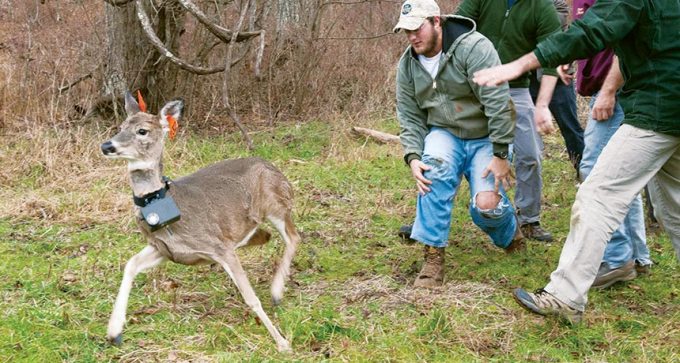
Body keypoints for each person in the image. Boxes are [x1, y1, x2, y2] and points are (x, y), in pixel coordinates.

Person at [473, 0, 680, 322]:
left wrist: (521, 64)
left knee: (597, 196)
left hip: (657, 112)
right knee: (675, 208)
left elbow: (590, 32)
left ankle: (565, 297)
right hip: (667, 109)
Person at [394, 0, 524, 288]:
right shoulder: (408, 65)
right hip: (445, 133)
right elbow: (410, 116)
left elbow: (498, 103)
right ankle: (432, 258)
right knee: (431, 174)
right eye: (407, 31)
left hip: (486, 135)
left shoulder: (474, 48)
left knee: (486, 206)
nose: (412, 37)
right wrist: (413, 157)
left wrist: (501, 154)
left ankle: (509, 231)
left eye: (418, 28)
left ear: (437, 21)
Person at [455, 0, 563, 242]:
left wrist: (542, 105)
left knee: (530, 155)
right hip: (473, 86)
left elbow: (552, 57)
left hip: (516, 89)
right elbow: (457, 30)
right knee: (449, 150)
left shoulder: (541, 7)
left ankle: (528, 219)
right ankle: (429, 217)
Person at [567, 0, 652, 288]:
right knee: (624, 175)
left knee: (595, 170)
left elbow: (625, 38)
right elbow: (590, 34)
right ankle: (638, 255)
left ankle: (617, 259)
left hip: (616, 92)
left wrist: (609, 91)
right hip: (604, 89)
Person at [528, 0, 584, 176]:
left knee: (571, 128)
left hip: (559, 78)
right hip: (527, 79)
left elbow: (549, 27)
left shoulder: (556, 4)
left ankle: (584, 170)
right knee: (523, 130)